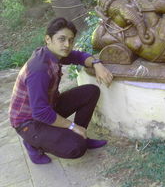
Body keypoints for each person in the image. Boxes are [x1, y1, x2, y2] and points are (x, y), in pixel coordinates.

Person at [9, 17, 114, 164]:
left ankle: (81, 134)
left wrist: (97, 64)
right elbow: (39, 112)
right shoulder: (39, 69)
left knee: (91, 92)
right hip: (28, 122)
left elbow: (79, 56)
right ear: (48, 39)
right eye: (62, 39)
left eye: (70, 40)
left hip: (47, 108)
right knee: (76, 147)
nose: (67, 45)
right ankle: (32, 142)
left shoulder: (54, 54)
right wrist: (72, 126)